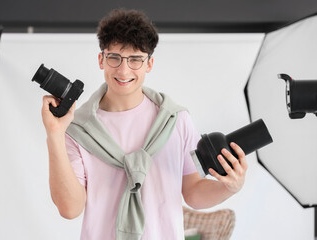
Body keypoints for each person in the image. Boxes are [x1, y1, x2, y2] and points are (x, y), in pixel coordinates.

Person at [41, 8, 247, 240]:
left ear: (149, 64)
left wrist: (230, 187)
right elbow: (70, 209)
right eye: (114, 57)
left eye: (135, 59)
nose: (123, 69)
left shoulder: (175, 120)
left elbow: (193, 194)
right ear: (101, 60)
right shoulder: (78, 129)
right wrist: (55, 134)